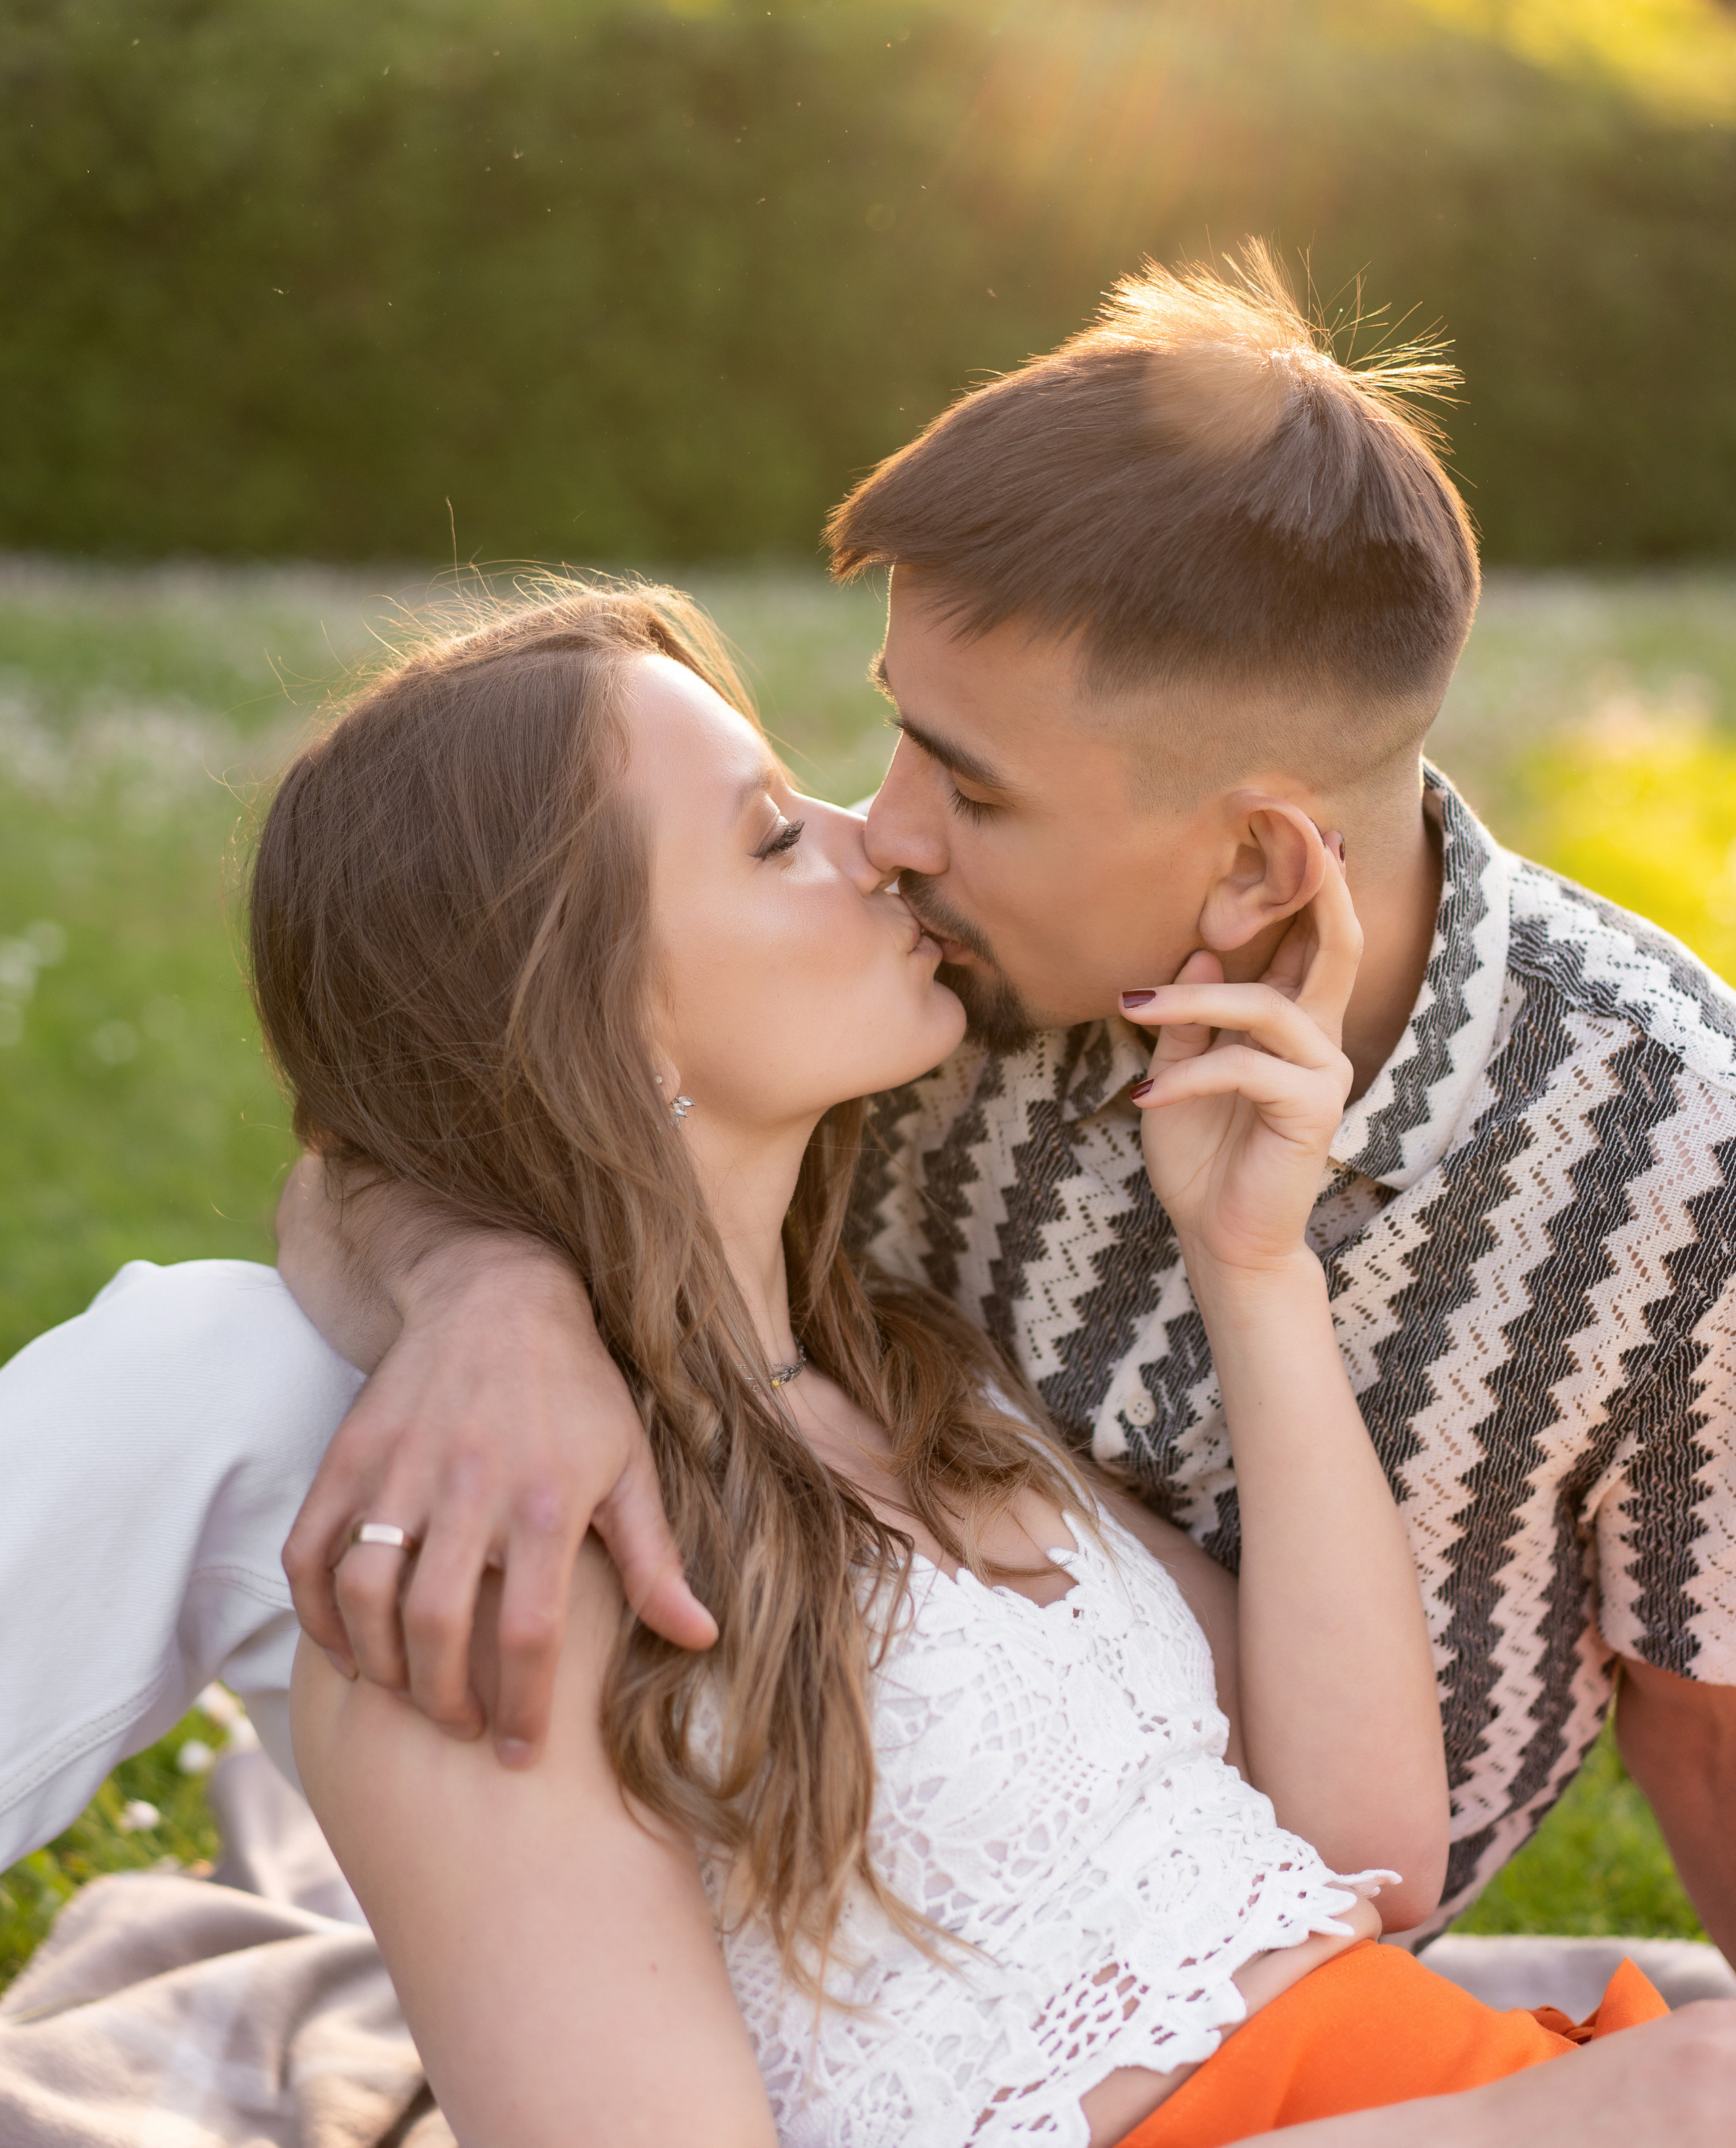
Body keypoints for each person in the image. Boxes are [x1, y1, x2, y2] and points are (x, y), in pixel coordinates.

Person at [216, 577, 1736, 2148]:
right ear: (593, 1015)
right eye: (772, 841)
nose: (874, 840)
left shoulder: (917, 1377)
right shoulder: (485, 1572)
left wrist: (1253, 1273)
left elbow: (1368, 1851)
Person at [275, 248, 1736, 1960]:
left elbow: (1701, 1728)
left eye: (967, 785)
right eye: (903, 732)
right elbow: (424, 1135)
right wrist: (485, 1292)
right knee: (230, 1371)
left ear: (1260, 858)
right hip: (812, 1859)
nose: (884, 830)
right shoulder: (913, 979)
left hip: (1278, 1959)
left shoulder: (1671, 1163)